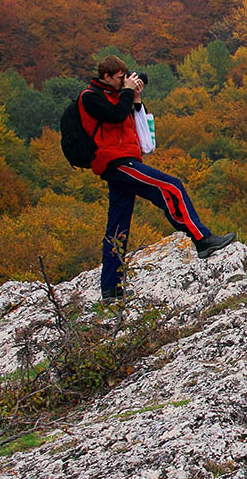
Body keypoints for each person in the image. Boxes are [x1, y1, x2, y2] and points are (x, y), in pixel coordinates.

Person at [79, 55, 235, 301]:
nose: (124, 81)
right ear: (106, 77)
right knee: (171, 186)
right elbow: (117, 115)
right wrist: (128, 94)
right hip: (115, 163)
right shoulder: (90, 97)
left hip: (127, 160)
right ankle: (202, 239)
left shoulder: (121, 96)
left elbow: (141, 132)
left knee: (117, 227)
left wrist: (136, 98)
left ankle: (111, 289)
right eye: (120, 78)